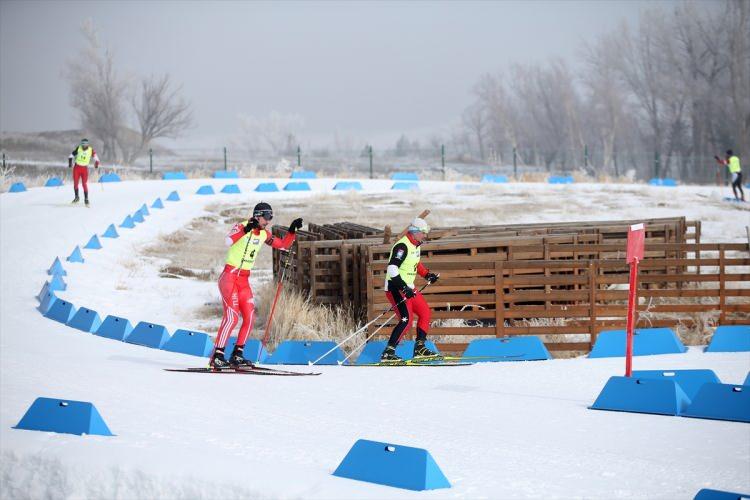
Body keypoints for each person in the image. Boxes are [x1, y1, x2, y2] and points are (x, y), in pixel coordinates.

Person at [210, 202, 303, 369]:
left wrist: (292, 231)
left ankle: (237, 355)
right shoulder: (241, 225)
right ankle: (217, 355)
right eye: (267, 217)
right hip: (229, 277)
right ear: (258, 215)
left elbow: (282, 245)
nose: (268, 221)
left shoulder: (263, 234)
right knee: (231, 317)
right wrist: (245, 230)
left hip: (244, 280)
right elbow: (227, 241)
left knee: (250, 317)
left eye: (270, 218)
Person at [380, 217, 440, 363]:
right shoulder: (402, 246)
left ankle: (420, 348)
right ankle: (388, 353)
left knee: (425, 312)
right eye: (423, 232)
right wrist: (403, 287)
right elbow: (392, 268)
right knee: (406, 320)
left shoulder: (416, 245)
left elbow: (415, 263)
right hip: (396, 288)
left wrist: (427, 274)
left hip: (409, 288)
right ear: (415, 231)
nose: (425, 235)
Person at [67, 138, 100, 206]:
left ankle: (86, 199)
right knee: (76, 183)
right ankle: (77, 198)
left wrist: (96, 164)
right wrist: (70, 163)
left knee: (84, 184)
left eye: (85, 144)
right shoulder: (78, 148)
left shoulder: (91, 150)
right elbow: (70, 156)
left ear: (87, 144)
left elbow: (97, 159)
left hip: (84, 169)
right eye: (83, 144)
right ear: (81, 144)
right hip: (77, 168)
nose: (84, 146)